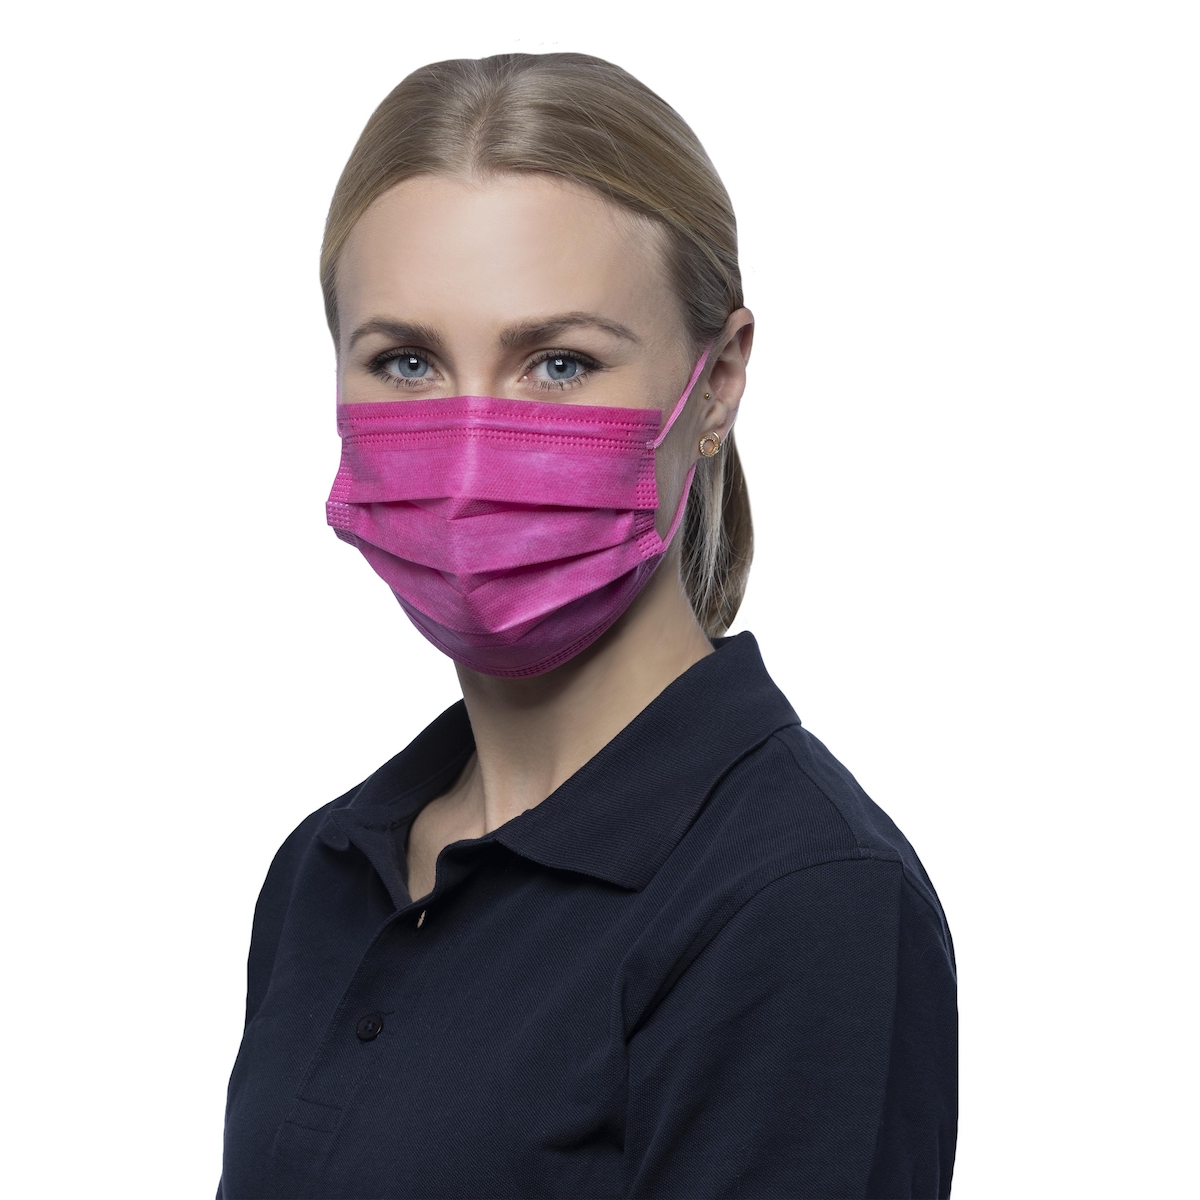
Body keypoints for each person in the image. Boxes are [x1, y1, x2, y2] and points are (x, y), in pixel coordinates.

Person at [218, 52, 957, 1200]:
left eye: (558, 363)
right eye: (406, 362)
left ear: (717, 383)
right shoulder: (328, 868)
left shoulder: (806, 898)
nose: (471, 455)